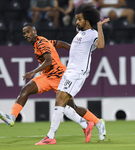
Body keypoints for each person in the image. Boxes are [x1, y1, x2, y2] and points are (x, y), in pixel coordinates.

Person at [0, 22, 101, 143]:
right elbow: (59, 43)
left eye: (28, 32)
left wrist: (33, 72)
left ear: (35, 32)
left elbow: (49, 61)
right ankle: (12, 117)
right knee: (26, 89)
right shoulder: (41, 42)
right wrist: (74, 49)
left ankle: (94, 122)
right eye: (24, 33)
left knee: (72, 108)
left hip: (59, 77)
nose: (26, 35)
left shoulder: (41, 42)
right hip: (46, 77)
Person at [35, 3, 110, 145]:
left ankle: (50, 137)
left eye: (80, 19)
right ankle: (93, 124)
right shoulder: (79, 32)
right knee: (66, 106)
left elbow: (100, 46)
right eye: (76, 19)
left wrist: (99, 27)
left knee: (60, 102)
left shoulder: (93, 34)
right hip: (68, 71)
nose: (77, 22)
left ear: (87, 19)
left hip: (78, 72)